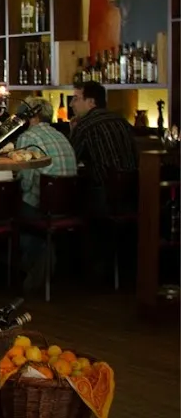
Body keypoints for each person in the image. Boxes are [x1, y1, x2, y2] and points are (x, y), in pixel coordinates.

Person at [14, 97, 78, 291]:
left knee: (11, 209)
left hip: (42, 208)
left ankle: (24, 270)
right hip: (68, 207)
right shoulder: (61, 135)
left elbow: (25, 184)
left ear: (32, 116)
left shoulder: (28, 137)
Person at [69, 80, 138, 214]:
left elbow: (70, 159)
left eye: (76, 99)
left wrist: (73, 132)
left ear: (91, 102)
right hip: (132, 194)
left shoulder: (85, 125)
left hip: (104, 197)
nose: (71, 104)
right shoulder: (122, 121)